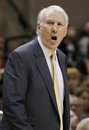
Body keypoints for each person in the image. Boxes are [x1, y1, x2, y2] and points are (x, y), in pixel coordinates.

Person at [0, 5, 70, 130]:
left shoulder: (62, 57)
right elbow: (12, 104)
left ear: (65, 32)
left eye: (60, 24)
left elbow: (61, 104)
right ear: (38, 27)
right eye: (50, 23)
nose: (54, 29)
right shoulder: (21, 56)